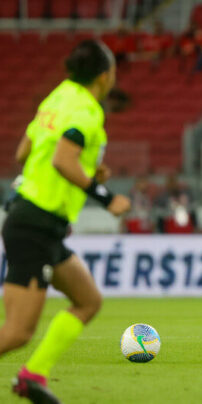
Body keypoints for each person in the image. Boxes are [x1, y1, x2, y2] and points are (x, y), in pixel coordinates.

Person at [0, 40, 131, 402]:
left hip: (41, 222)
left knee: (88, 301)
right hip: (35, 223)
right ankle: (30, 374)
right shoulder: (87, 111)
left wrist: (83, 169)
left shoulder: (56, 98)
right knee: (16, 333)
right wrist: (106, 198)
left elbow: (25, 151)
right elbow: (62, 160)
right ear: (105, 76)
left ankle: (31, 376)